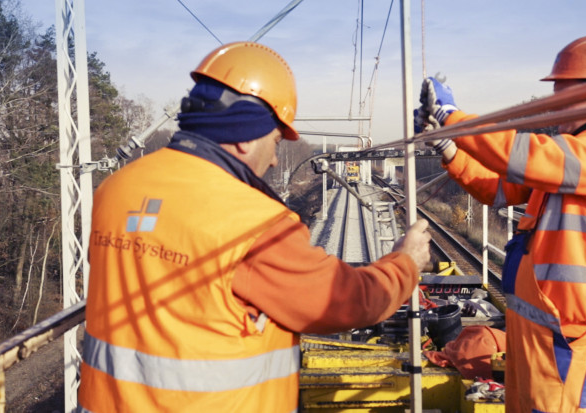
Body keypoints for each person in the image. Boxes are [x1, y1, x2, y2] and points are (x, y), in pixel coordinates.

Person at [78, 41, 431, 413]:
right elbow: (351, 301)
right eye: (276, 141)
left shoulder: (116, 188)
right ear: (245, 134)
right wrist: (405, 263)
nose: (277, 160)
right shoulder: (252, 221)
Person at [416, 35, 586, 412]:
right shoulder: (574, 157)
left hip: (570, 339)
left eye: (566, 95)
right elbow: (497, 188)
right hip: (537, 335)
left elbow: (521, 154)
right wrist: (448, 149)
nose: (556, 107)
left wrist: (451, 119)